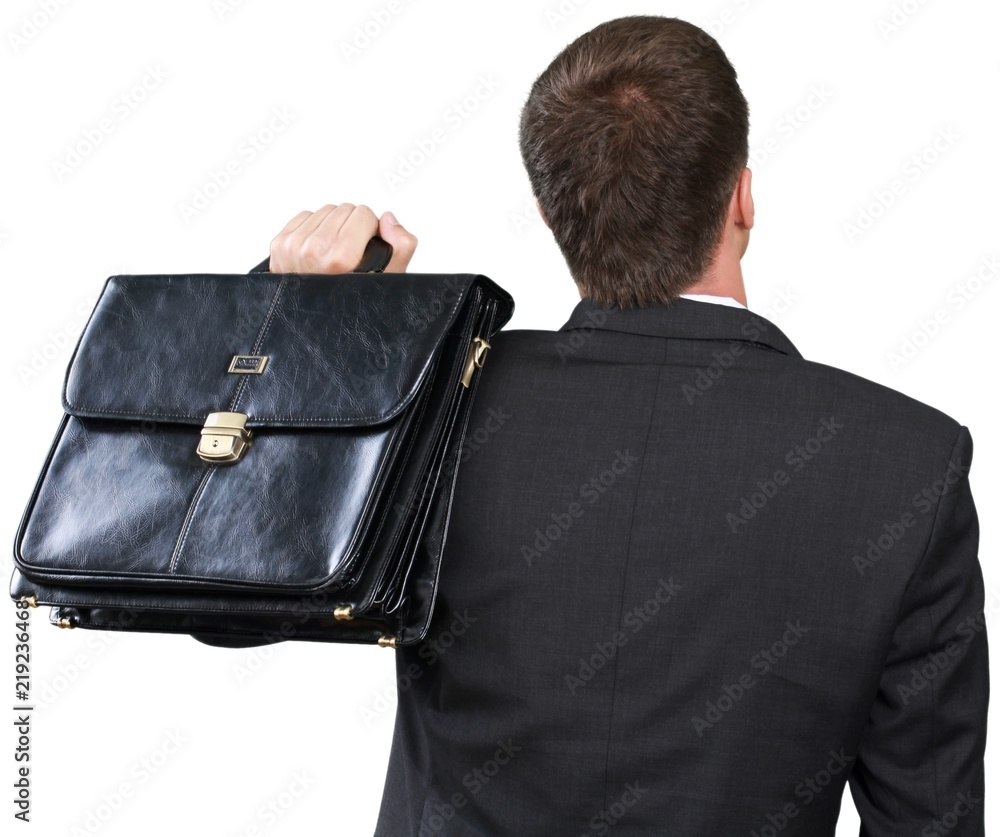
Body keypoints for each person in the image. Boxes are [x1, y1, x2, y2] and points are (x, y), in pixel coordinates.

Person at [268, 16, 988, 837]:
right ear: (744, 195)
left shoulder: (431, 409)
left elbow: (231, 606)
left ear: (547, 214)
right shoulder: (905, 461)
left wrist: (318, 347)